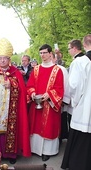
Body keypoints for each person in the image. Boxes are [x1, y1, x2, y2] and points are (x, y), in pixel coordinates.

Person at [0, 38, 31, 164]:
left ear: (9, 59)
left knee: (11, 129)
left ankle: (10, 154)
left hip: (11, 108)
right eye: (0, 58)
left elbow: (21, 88)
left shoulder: (15, 72)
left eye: (5, 58)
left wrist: (12, 84)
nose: (2, 60)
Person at [27, 44, 64, 161]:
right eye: (41, 53)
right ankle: (35, 149)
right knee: (35, 125)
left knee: (49, 127)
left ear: (50, 54)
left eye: (44, 53)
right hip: (36, 104)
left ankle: (48, 151)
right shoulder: (36, 69)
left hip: (49, 104)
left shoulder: (57, 70)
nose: (42, 55)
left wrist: (49, 94)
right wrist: (32, 93)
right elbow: (30, 84)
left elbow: (59, 88)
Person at [61, 34, 91, 170]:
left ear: (84, 45)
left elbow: (74, 86)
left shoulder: (80, 62)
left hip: (85, 108)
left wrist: (75, 102)